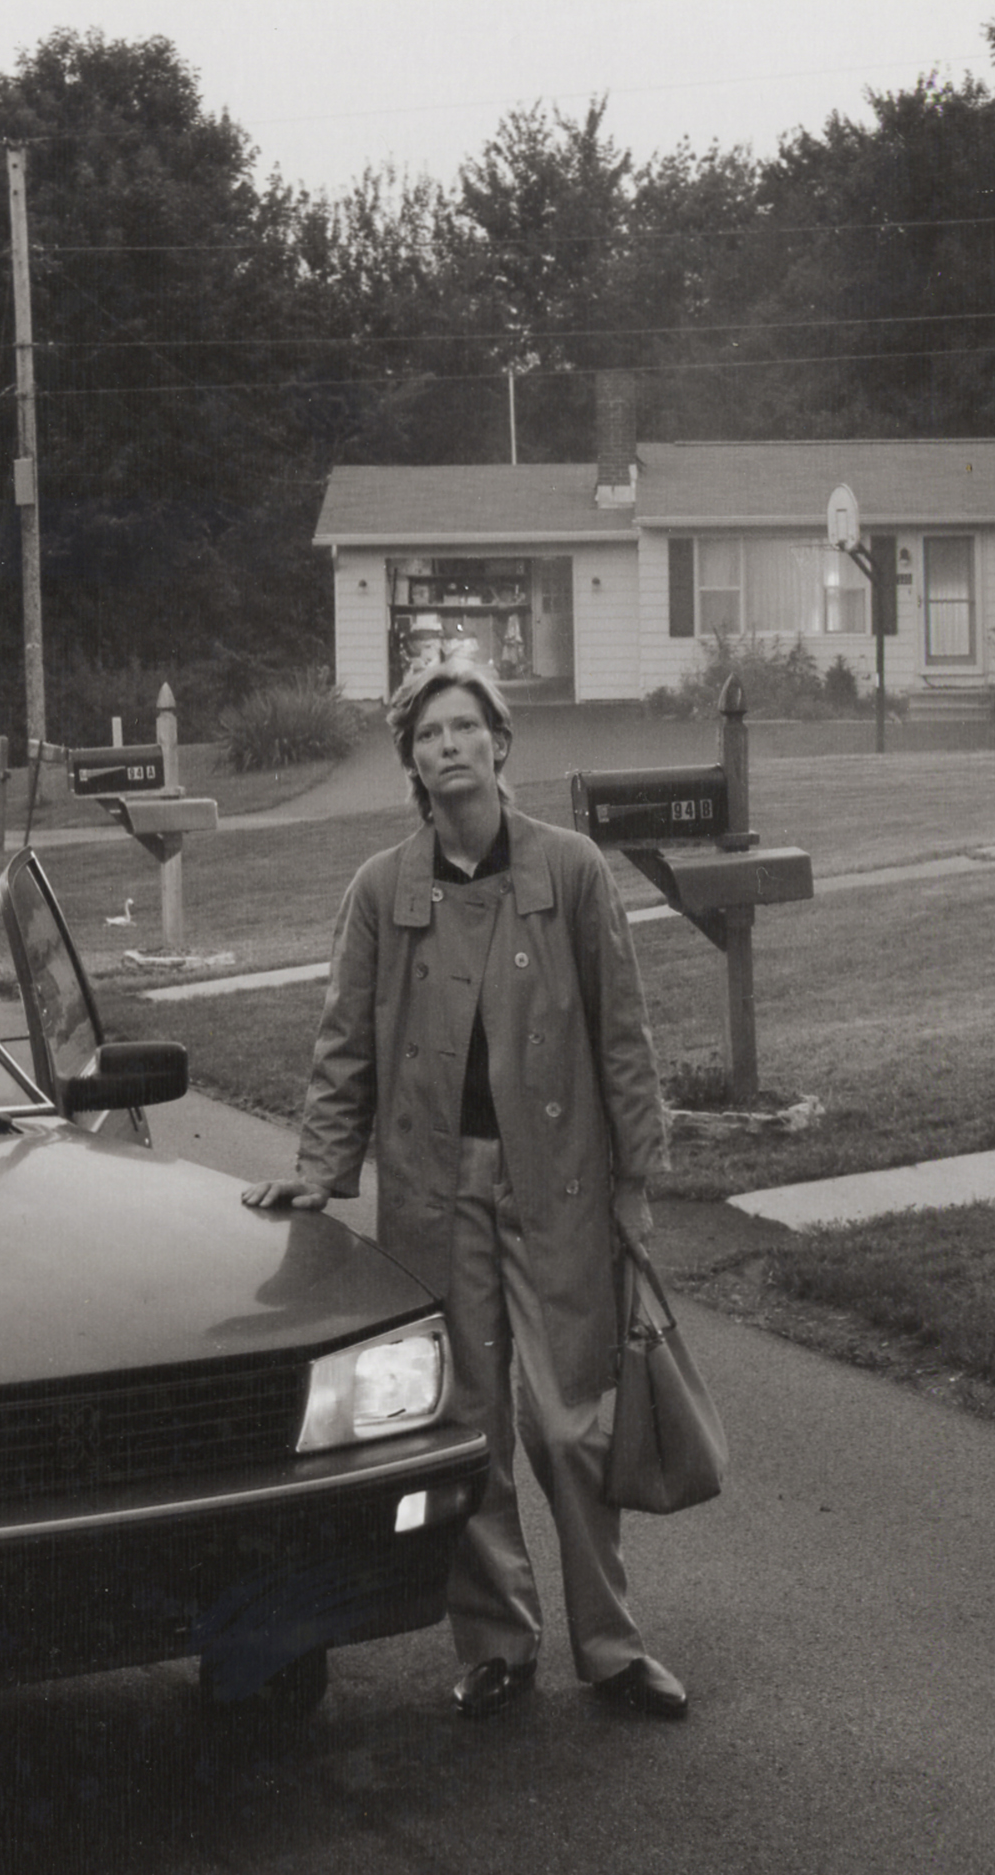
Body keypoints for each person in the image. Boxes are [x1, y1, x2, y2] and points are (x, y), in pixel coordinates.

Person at [242, 662, 690, 1721]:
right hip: (435, 1193)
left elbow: (622, 1037)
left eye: (466, 727)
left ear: (500, 745)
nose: (448, 745)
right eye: (428, 732)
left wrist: (636, 1182)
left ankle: (613, 1647)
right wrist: (318, 1174)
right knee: (468, 1421)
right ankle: (497, 1641)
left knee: (571, 1423)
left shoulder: (571, 872)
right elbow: (343, 1046)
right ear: (408, 759)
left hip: (561, 1186)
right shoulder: (380, 890)